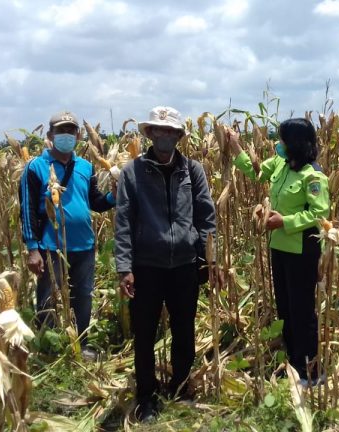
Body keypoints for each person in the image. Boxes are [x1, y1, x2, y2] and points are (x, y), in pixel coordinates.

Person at [114, 106, 216, 422]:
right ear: (150, 133)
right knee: (144, 333)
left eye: (171, 131)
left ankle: (180, 386)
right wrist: (124, 266)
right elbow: (124, 221)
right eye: (159, 130)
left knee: (184, 330)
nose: (165, 135)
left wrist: (209, 261)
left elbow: (206, 216)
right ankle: (146, 397)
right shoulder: (133, 172)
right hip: (147, 265)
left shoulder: (193, 170)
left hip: (184, 264)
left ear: (178, 136)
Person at [228, 118, 331, 386]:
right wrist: (236, 146)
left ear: (296, 143)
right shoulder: (281, 164)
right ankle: (294, 361)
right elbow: (255, 172)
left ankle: (311, 370)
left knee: (302, 309)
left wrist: (283, 221)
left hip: (301, 250)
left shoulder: (313, 176)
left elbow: (319, 213)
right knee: (285, 306)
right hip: (279, 248)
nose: (279, 145)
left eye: (283, 140)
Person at [19, 111, 116, 360]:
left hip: (83, 245)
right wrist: (32, 248)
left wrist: (115, 195)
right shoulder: (35, 167)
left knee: (83, 296)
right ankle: (48, 348)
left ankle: (80, 344)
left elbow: (95, 202)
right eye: (61, 131)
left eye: (70, 131)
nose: (66, 135)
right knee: (48, 298)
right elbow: (28, 210)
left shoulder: (85, 166)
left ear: (79, 135)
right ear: (50, 135)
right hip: (51, 246)